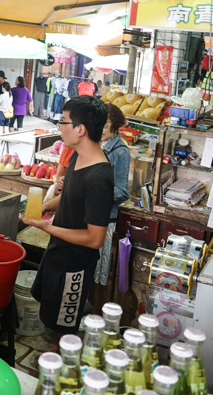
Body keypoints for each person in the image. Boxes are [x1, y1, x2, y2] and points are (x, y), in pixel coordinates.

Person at [22, 96, 114, 341]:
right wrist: (43, 207)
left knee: (64, 328)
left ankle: (63, 369)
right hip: (57, 254)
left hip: (75, 265)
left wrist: (47, 227)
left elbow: (94, 239)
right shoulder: (77, 156)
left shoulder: (98, 178)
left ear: (80, 129)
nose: (59, 127)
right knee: (51, 315)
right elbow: (69, 198)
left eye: (63, 122)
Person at [91, 103, 131, 311]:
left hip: (106, 219)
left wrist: (95, 195)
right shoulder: (96, 145)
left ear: (115, 127)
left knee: (100, 274)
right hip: (89, 216)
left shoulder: (120, 152)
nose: (101, 130)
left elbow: (123, 192)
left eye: (105, 126)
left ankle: (97, 315)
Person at [0, 82, 12, 149]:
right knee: (6, 129)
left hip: (1, 113)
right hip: (8, 114)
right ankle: (5, 145)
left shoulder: (2, 96)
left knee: (0, 130)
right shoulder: (10, 95)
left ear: (3, 88)